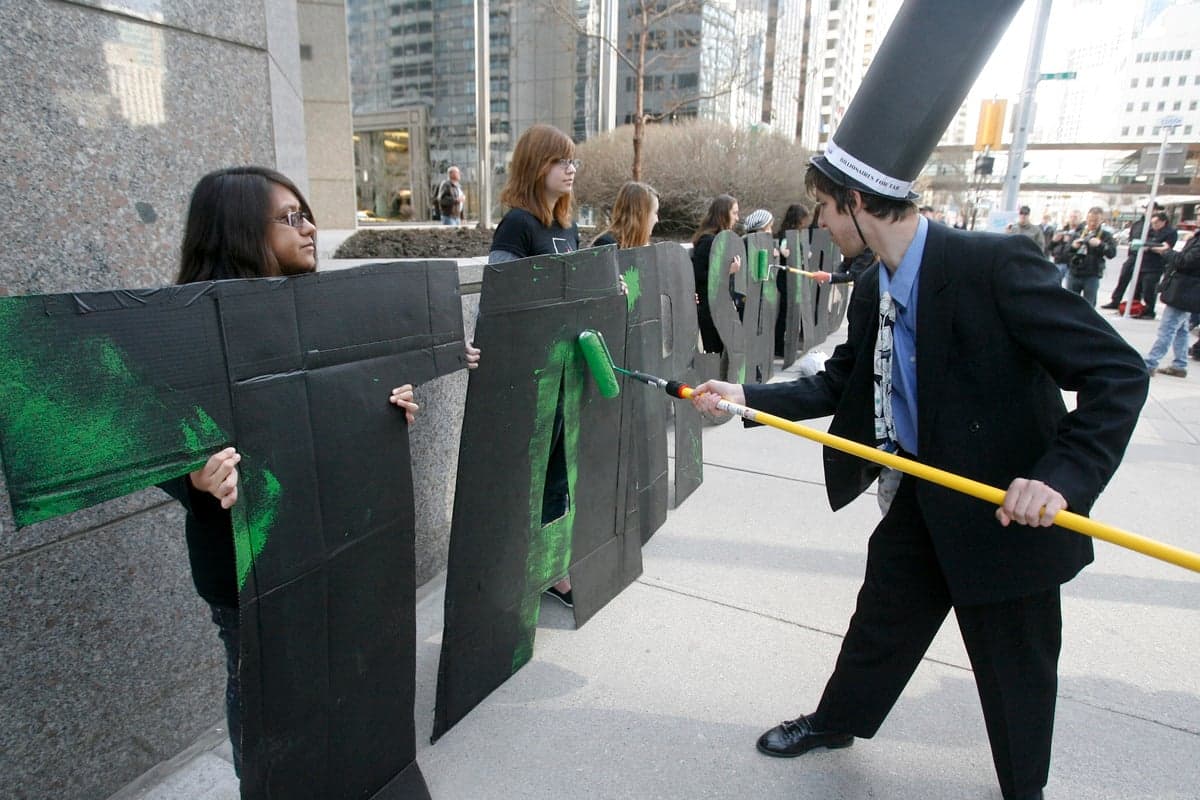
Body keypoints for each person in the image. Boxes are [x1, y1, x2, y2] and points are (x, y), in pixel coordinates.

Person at [692, 161, 1147, 800]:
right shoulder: (875, 288)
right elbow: (839, 383)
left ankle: (1024, 788)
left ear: (855, 202)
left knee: (1016, 663)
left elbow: (1118, 373)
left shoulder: (995, 265)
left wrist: (1059, 480)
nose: (819, 220)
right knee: (882, 619)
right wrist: (745, 396)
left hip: (1006, 510)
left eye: (823, 207)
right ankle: (838, 721)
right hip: (919, 492)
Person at [165, 166, 424, 778]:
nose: (310, 228)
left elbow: (331, 417)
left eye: (306, 213)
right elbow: (150, 439)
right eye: (290, 218)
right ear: (237, 231)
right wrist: (193, 477)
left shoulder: (320, 310)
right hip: (247, 564)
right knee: (262, 703)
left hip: (329, 543)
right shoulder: (185, 328)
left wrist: (385, 412)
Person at [488, 123, 581, 607]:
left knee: (563, 469)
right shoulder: (518, 225)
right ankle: (545, 569)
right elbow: (501, 301)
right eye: (559, 160)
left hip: (569, 368)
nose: (570, 169)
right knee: (540, 472)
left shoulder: (568, 226)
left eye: (572, 161)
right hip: (532, 373)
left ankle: (555, 561)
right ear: (535, 165)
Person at [691, 194, 742, 353]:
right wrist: (727, 271)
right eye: (734, 213)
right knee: (716, 355)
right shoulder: (707, 241)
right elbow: (698, 275)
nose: (737, 218)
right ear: (723, 214)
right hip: (711, 311)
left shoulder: (721, 239)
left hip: (721, 308)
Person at [1144, 232, 1200, 377]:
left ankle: (1151, 363)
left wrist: (1166, 252)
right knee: (1181, 329)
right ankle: (1179, 364)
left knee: (1167, 329)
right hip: (1187, 291)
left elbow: (1185, 262)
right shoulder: (1196, 238)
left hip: (1185, 290)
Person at [1101, 203, 1164, 310]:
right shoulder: (1138, 224)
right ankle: (1115, 300)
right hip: (1134, 256)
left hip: (1148, 258)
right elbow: (1131, 238)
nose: (1151, 212)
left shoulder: (1157, 226)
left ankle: (1137, 305)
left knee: (1142, 285)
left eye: (1154, 210)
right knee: (1124, 277)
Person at [774, 204, 811, 356]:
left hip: (795, 277)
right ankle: (780, 345)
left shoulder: (797, 234)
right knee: (785, 312)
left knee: (791, 311)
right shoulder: (786, 235)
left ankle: (787, 343)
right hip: (786, 277)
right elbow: (785, 250)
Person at [1128, 212, 1178, 320]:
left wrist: (1150, 247)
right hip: (1142, 262)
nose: (1154, 225)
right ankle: (1136, 309)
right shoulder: (1149, 230)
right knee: (1137, 288)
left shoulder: (1170, 232)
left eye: (1156, 223)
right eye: (1152, 223)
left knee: (1149, 289)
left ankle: (1149, 311)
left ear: (1163, 222)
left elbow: (1165, 247)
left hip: (1155, 265)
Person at [1064, 206, 1116, 306]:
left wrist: (1100, 245)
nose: (1092, 223)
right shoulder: (1078, 234)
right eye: (1090, 220)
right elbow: (1065, 254)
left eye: (1096, 221)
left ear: (1101, 220)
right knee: (1069, 304)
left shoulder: (1106, 235)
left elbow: (1112, 253)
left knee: (1089, 306)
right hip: (1074, 273)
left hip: (1092, 275)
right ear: (1086, 219)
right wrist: (1073, 247)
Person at [591, 181, 659, 248]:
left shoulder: (641, 245)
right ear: (640, 214)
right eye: (655, 212)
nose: (657, 219)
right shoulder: (606, 244)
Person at [1048, 209, 1081, 285]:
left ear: (1080, 219)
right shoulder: (1061, 230)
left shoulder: (1081, 232)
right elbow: (1050, 247)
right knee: (1054, 285)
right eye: (1071, 217)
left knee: (1069, 287)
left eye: (1075, 217)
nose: (1073, 219)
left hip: (1072, 264)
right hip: (1059, 261)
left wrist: (1068, 242)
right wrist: (1054, 241)